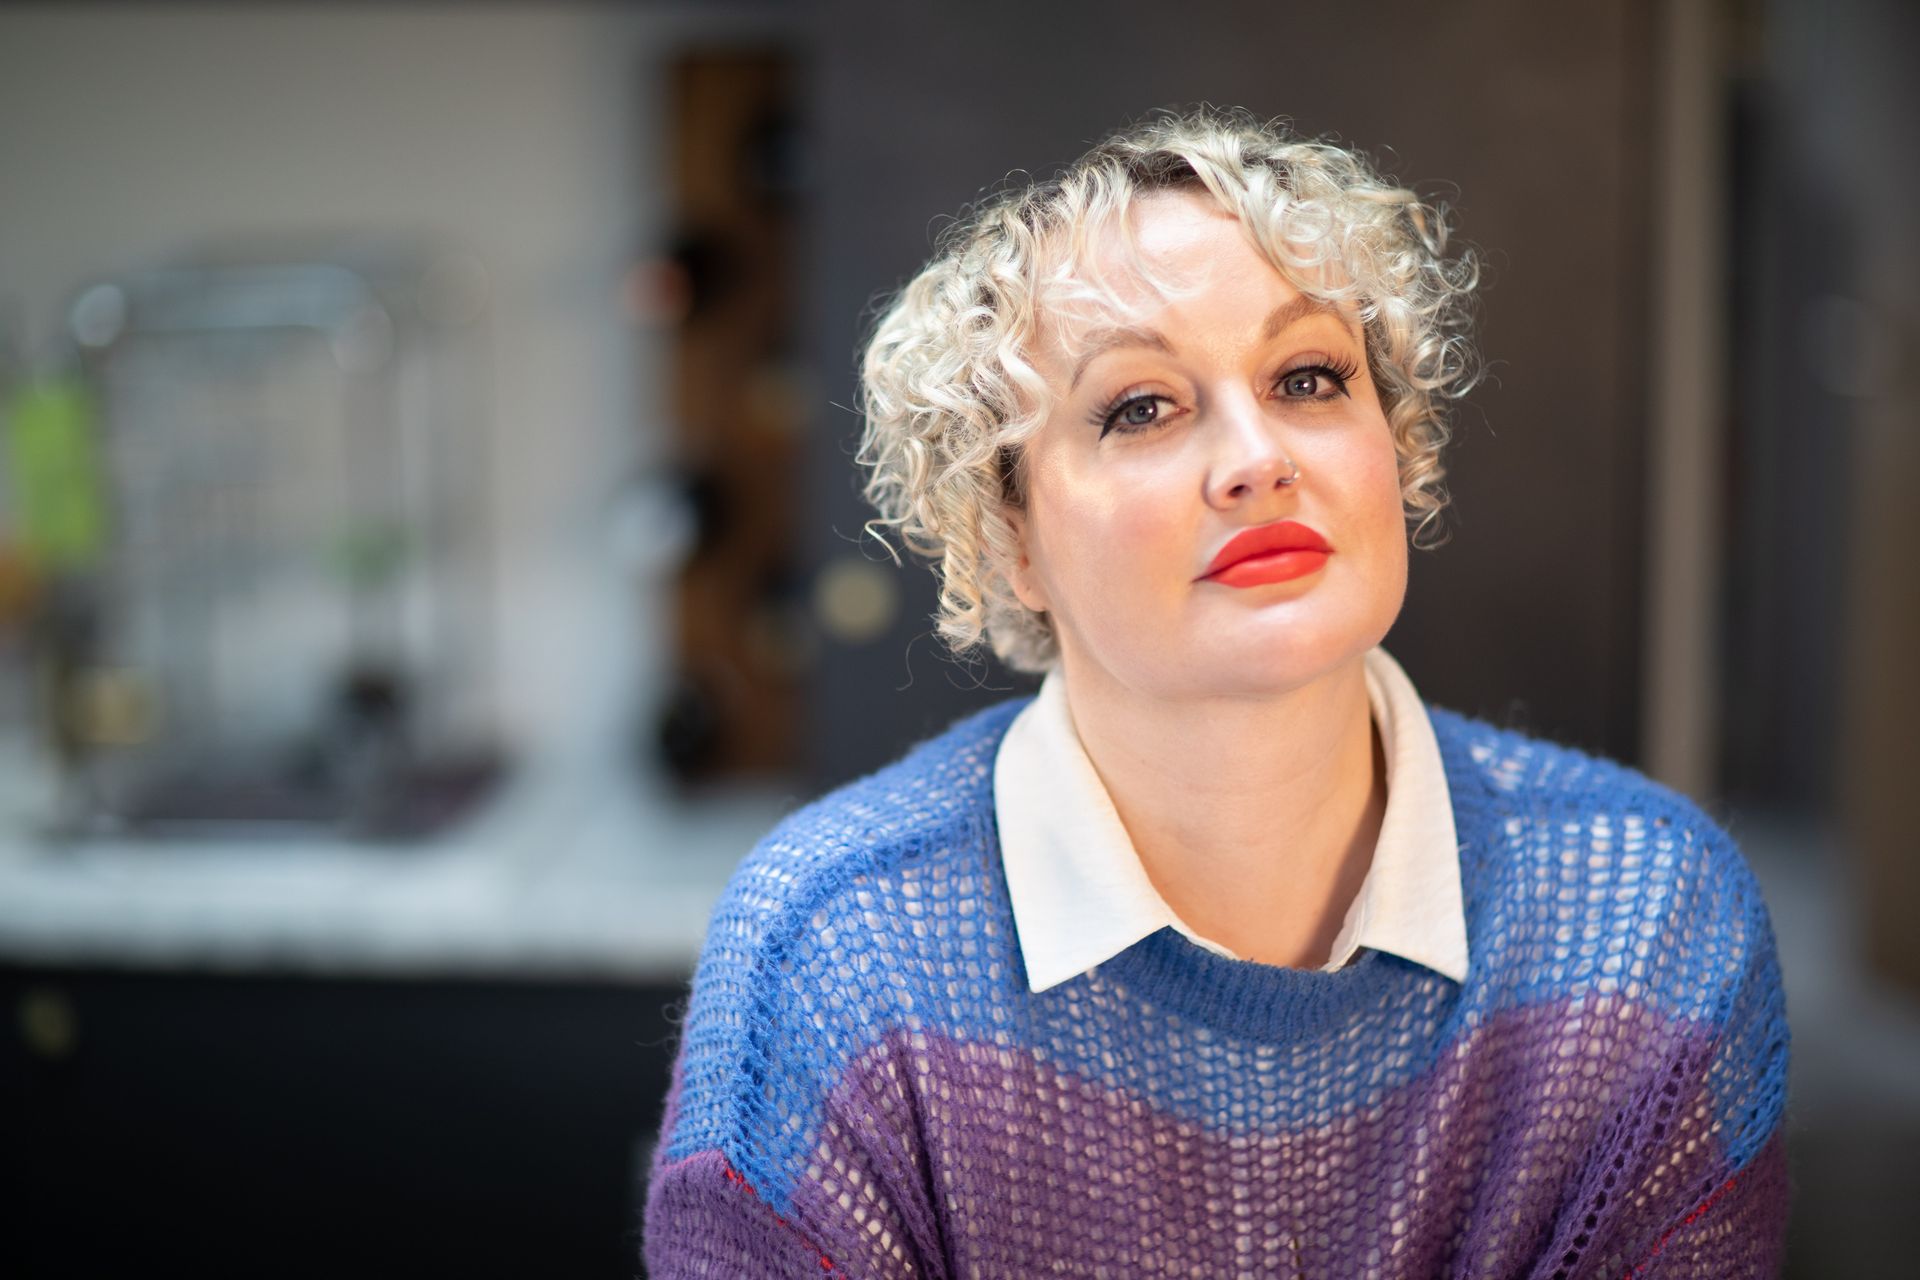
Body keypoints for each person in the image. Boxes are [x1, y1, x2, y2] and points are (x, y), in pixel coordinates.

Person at [642, 106, 1790, 1277]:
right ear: (1010, 539)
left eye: (1308, 377)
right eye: (1140, 406)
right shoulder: (833, 960)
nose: (1257, 455)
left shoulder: (1650, 920)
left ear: (1396, 446)